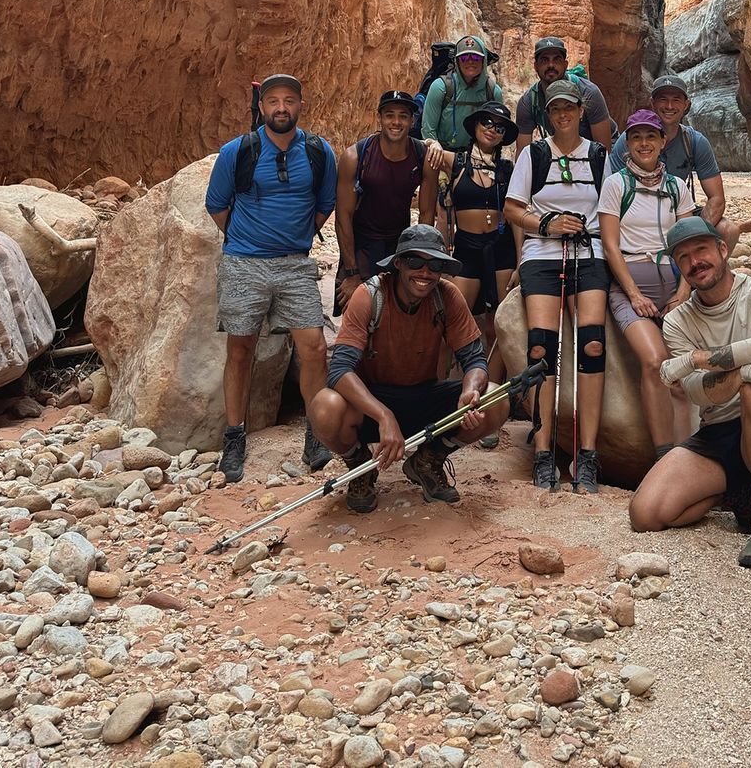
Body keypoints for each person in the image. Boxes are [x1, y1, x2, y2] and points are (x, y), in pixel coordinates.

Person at [628, 217, 751, 570]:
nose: (695, 261)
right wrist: (744, 371)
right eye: (683, 257)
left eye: (701, 249)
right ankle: (741, 497)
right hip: (719, 433)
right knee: (646, 514)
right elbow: (698, 393)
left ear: (722, 249)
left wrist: (697, 360)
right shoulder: (678, 320)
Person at [309, 225, 509, 513]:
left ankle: (428, 460)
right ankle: (360, 465)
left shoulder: (447, 296)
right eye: (416, 262)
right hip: (372, 402)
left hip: (424, 397)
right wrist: (383, 415)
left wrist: (470, 390)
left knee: (495, 397)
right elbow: (339, 369)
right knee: (324, 406)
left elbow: (475, 360)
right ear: (398, 263)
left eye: (436, 265)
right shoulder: (369, 296)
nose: (425, 273)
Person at [205, 73, 338, 483]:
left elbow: (325, 204)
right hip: (244, 262)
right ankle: (234, 437)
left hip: (295, 264)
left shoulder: (318, 151)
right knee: (241, 350)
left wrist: (293, 236)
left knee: (314, 347)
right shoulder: (238, 151)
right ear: (261, 107)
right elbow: (217, 206)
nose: (282, 108)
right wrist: (250, 238)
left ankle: (315, 434)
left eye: (289, 101)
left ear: (300, 105)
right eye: (273, 101)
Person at [504, 80, 609, 493]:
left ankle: (588, 455)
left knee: (593, 344)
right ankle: (544, 450)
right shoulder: (534, 154)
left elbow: (613, 206)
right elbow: (513, 209)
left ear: (581, 111)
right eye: (555, 110)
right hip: (544, 256)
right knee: (541, 348)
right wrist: (546, 223)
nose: (562, 115)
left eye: (569, 108)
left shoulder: (599, 156)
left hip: (589, 253)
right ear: (548, 114)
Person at [598, 110, 695, 459]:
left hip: (674, 289)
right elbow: (610, 246)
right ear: (627, 141)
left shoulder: (677, 187)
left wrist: (684, 292)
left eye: (650, 136)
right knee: (655, 362)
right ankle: (663, 456)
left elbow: (688, 243)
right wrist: (634, 295)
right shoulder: (616, 185)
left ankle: (686, 460)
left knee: (681, 374)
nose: (643, 143)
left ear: (662, 141)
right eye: (636, 136)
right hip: (630, 288)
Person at [438, 101, 523, 387]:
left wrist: (520, 261)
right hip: (466, 247)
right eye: (486, 123)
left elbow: (516, 217)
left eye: (499, 127)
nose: (492, 130)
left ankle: (494, 389)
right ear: (474, 127)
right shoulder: (456, 162)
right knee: (453, 316)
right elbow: (428, 155)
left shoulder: (508, 170)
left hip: (501, 249)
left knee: (497, 324)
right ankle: (440, 384)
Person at [609, 74, 742, 253]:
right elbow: (611, 195)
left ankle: (705, 278)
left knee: (728, 230)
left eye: (676, 100)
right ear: (652, 102)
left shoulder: (695, 142)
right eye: (663, 99)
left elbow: (717, 199)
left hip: (681, 213)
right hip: (636, 212)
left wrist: (695, 232)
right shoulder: (628, 142)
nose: (669, 106)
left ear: (686, 105)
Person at [333, 91, 439, 315]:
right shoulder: (356, 157)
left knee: (394, 315)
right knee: (356, 314)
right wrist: (352, 273)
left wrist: (422, 263)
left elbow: (427, 214)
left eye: (403, 116)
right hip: (361, 243)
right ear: (379, 118)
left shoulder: (422, 157)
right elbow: (343, 216)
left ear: (412, 121)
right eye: (390, 115)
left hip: (398, 245)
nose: (396, 122)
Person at [515, 37, 614, 152]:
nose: (551, 65)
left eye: (556, 60)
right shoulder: (529, 102)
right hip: (567, 150)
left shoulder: (588, 93)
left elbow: (604, 150)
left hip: (606, 152)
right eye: (544, 60)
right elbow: (522, 153)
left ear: (565, 65)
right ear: (536, 66)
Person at [420, 36, 504, 154]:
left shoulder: (493, 92)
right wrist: (436, 151)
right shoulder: (441, 87)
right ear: (457, 61)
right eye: (464, 57)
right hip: (442, 153)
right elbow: (428, 129)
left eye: (475, 57)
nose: (470, 61)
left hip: (477, 155)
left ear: (484, 61)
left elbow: (497, 131)